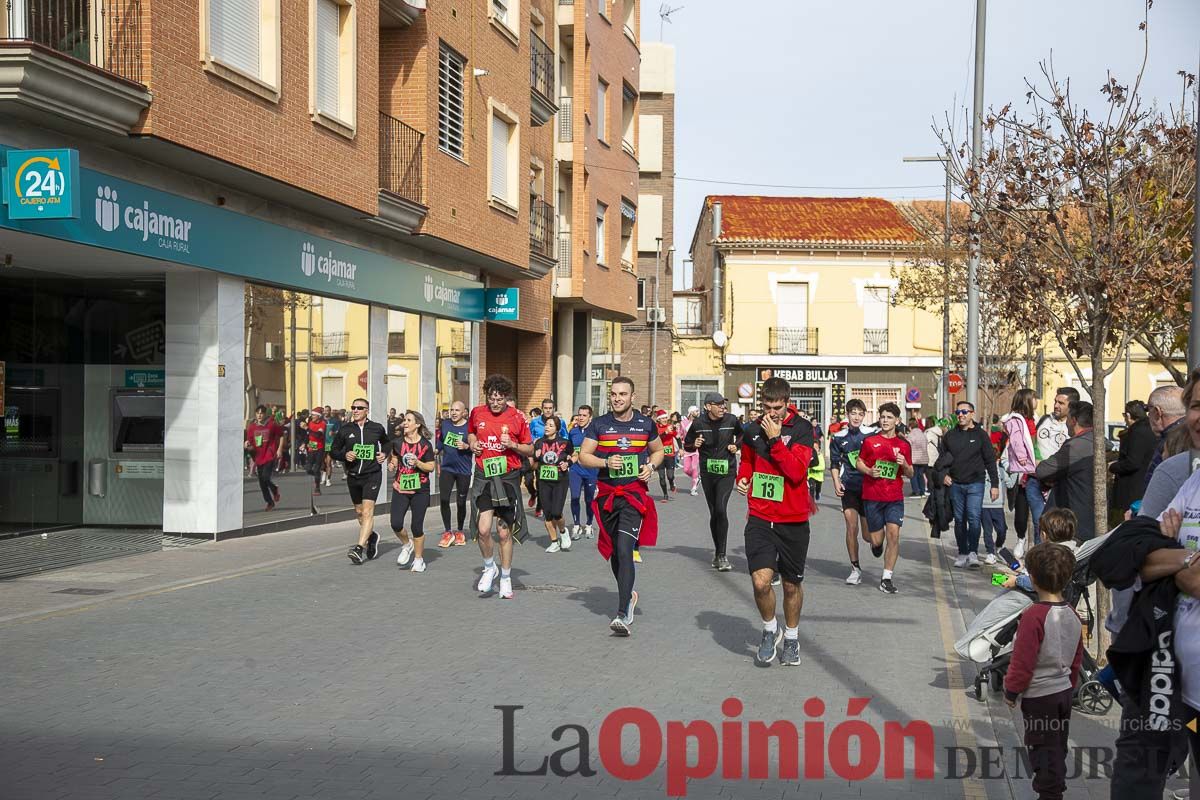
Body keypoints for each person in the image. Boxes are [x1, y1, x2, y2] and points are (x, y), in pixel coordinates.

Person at [735, 376, 815, 666]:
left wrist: (775, 440)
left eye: (778, 407)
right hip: (759, 515)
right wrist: (742, 478)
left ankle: (792, 638)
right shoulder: (751, 430)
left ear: (787, 403)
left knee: (792, 585)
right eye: (767, 406)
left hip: (792, 519)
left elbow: (796, 472)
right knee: (760, 582)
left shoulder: (803, 430)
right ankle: (770, 629)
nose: (772, 413)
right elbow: (746, 461)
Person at [578, 377, 664, 636]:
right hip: (607, 495)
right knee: (616, 551)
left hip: (633, 495)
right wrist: (605, 463)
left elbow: (658, 451)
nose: (617, 398)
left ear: (632, 397)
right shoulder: (600, 425)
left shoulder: (645, 424)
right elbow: (583, 456)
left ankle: (622, 612)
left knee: (625, 548)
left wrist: (650, 467)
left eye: (622, 394)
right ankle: (629, 594)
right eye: (613, 394)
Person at [1003, 543, 1084, 800]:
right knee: (1057, 744)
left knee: (1041, 748)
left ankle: (1050, 794)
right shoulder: (1071, 613)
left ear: (1033, 579)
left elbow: (1022, 660)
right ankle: (1054, 788)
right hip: (1062, 693)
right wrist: (1069, 686)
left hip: (1040, 698)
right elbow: (1076, 658)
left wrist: (1011, 690)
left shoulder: (1033, 616)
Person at [468, 375, 534, 599]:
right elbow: (470, 433)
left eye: (499, 399)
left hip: (507, 478)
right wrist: (473, 443)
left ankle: (506, 578)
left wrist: (513, 445)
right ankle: (489, 567)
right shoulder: (477, 412)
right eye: (491, 398)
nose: (495, 403)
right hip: (484, 475)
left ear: (507, 398)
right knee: (483, 529)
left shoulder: (517, 418)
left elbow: (530, 449)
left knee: (503, 532)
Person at [682, 392, 744, 572]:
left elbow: (742, 436)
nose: (722, 408)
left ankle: (722, 554)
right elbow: (686, 444)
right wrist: (695, 444)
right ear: (708, 406)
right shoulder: (699, 423)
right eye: (718, 405)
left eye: (723, 404)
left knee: (720, 508)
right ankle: (718, 553)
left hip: (727, 471)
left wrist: (736, 446)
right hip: (708, 472)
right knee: (714, 513)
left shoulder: (731, 420)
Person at [857, 402, 914, 593]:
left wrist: (905, 464)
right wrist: (869, 471)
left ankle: (886, 578)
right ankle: (876, 545)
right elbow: (859, 462)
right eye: (882, 417)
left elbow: (911, 473)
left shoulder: (903, 444)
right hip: (872, 496)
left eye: (889, 417)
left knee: (894, 535)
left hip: (894, 497)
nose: (885, 420)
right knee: (876, 540)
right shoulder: (870, 441)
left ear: (897, 420)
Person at [936, 400, 1000, 569]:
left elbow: (990, 461)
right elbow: (940, 460)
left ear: (972, 413)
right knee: (959, 520)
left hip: (975, 484)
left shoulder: (981, 435)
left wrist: (995, 484)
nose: (961, 415)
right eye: (958, 412)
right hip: (956, 484)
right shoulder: (950, 435)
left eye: (964, 412)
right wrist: (943, 475)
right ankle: (962, 552)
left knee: (973, 518)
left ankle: (973, 552)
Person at [332, 399, 391, 565]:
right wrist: (345, 455)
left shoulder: (377, 428)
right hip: (353, 475)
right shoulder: (345, 430)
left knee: (367, 512)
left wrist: (384, 454)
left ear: (367, 410)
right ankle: (372, 536)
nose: (355, 410)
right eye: (353, 408)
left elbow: (387, 443)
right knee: (359, 512)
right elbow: (333, 451)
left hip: (372, 474)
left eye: (359, 408)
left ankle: (359, 548)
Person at [829, 398, 877, 585]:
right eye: (853, 413)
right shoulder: (839, 437)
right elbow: (834, 463)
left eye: (860, 413)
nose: (856, 417)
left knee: (867, 535)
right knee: (851, 527)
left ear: (864, 415)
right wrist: (836, 482)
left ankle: (876, 543)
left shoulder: (871, 434)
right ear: (847, 415)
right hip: (849, 486)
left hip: (869, 487)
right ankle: (855, 568)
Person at [1035, 400, 1096, 541]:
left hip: (1075, 517)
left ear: (1073, 420)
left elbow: (1043, 470)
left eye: (1067, 418)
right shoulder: (1097, 441)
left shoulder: (1076, 446)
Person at [388, 411, 436, 572]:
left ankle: (418, 559)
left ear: (417, 424)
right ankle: (407, 544)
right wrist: (392, 464)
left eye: (409, 420)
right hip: (400, 487)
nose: (405, 423)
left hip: (420, 490)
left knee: (417, 526)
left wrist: (418, 463)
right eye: (404, 420)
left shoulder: (425, 445)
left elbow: (431, 467)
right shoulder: (397, 443)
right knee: (395, 523)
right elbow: (395, 457)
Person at [1002, 388, 1043, 554]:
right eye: (1034, 398)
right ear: (1026, 400)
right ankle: (1021, 538)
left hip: (1038, 472)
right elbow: (1011, 449)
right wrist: (1011, 466)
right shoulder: (1015, 421)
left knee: (1039, 516)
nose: (1037, 401)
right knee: (1020, 515)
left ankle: (1036, 547)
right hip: (1021, 475)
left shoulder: (1039, 420)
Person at [1001, 508, 1078, 591]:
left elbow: (1041, 583)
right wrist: (1022, 570)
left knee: (1002, 596)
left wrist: (1016, 581)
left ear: (1043, 535)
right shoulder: (1071, 551)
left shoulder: (1051, 555)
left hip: (1038, 597)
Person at [436, 400, 472, 548]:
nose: (454, 413)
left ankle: (460, 530)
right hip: (447, 468)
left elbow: (477, 446)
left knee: (461, 501)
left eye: (457, 410)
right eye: (452, 410)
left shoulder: (469, 427)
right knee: (444, 499)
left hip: (463, 470)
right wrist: (436, 450)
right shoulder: (446, 424)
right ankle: (447, 531)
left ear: (464, 412)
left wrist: (466, 446)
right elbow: (441, 441)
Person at [535, 416, 574, 552]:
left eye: (551, 425)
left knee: (557, 512)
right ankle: (554, 541)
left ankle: (563, 532)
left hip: (560, 481)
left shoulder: (565, 442)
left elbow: (574, 455)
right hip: (543, 480)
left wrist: (568, 463)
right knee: (548, 513)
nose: (547, 427)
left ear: (557, 428)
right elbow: (534, 462)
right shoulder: (539, 443)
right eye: (546, 424)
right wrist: (536, 456)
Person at [1110, 400, 1156, 514]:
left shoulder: (1136, 432)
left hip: (1131, 489)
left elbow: (1132, 462)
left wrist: (1113, 466)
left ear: (1129, 415)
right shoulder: (1151, 429)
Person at [1144, 385, 1186, 488]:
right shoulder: (1191, 436)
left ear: (1157, 412)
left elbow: (1157, 490)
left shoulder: (1171, 442)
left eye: (1148, 411)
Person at [244, 405, 285, 511]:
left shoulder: (272, 425)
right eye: (257, 413)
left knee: (266, 477)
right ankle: (270, 501)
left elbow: (281, 435)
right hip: (258, 456)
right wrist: (247, 444)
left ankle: (274, 490)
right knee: (262, 482)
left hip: (269, 454)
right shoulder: (252, 427)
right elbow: (249, 441)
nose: (259, 415)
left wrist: (279, 449)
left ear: (265, 414)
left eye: (261, 413)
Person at [567, 406, 598, 540]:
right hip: (575, 469)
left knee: (589, 500)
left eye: (584, 415)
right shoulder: (573, 432)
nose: (580, 418)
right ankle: (576, 525)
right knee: (574, 497)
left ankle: (589, 524)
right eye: (579, 415)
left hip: (591, 470)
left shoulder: (595, 432)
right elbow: (568, 448)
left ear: (590, 417)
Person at [655, 410, 678, 500]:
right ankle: (665, 494)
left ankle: (672, 483)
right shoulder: (655, 428)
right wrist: (665, 433)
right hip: (659, 455)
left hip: (669, 454)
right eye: (663, 418)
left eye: (666, 418)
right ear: (659, 420)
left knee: (670, 476)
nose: (665, 419)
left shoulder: (669, 427)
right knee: (661, 477)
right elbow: (656, 439)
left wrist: (680, 449)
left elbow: (677, 437)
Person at [679, 405, 702, 495]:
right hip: (687, 448)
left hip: (696, 449)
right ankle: (696, 478)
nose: (698, 413)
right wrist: (680, 447)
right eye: (696, 411)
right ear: (691, 412)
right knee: (686, 470)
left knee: (694, 467)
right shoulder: (683, 423)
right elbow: (680, 435)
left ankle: (693, 488)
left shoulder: (699, 423)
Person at [306, 408, 328, 495]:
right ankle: (316, 474)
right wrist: (304, 443)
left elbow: (318, 435)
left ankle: (317, 488)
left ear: (318, 416)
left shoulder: (323, 424)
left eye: (314, 415)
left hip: (320, 448)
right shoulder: (310, 423)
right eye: (312, 415)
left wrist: (308, 429)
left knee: (316, 468)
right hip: (311, 447)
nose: (312, 416)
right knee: (308, 468)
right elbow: (308, 435)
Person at [906, 421, 929, 497]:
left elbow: (908, 446)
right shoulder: (923, 434)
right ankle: (922, 491)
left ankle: (916, 491)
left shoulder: (911, 435)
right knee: (920, 475)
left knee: (913, 475)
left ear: (910, 427)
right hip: (923, 458)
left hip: (914, 458)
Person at [322, 407, 340, 487]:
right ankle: (324, 475)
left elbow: (339, 431)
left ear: (330, 411)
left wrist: (333, 433)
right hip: (321, 444)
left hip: (330, 443)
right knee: (323, 463)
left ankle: (328, 480)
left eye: (327, 411)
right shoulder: (321, 420)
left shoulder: (335, 421)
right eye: (324, 411)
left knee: (328, 462)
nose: (325, 412)